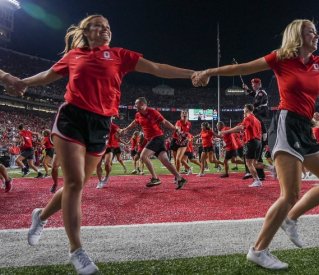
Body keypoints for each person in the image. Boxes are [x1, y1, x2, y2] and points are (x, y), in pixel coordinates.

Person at [193, 19, 319, 269]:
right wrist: (209, 71)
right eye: (311, 32)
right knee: (290, 194)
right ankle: (259, 250)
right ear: (298, 36)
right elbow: (246, 68)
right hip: (285, 123)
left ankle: (291, 218)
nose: (317, 35)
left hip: (304, 128)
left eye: (316, 31)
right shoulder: (280, 58)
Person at [20, 15, 196, 274]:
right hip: (72, 118)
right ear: (86, 31)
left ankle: (41, 217)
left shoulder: (118, 55)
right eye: (99, 26)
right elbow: (47, 75)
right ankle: (76, 250)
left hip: (101, 124)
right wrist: (22, 83)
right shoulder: (74, 56)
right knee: (74, 184)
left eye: (108, 27)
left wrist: (191, 73)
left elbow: (157, 68)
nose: (105, 30)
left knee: (77, 185)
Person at [120, 97, 188, 189]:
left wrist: (175, 128)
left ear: (144, 105)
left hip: (157, 138)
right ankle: (180, 179)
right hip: (153, 139)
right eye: (135, 104)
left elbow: (164, 122)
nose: (136, 106)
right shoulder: (137, 115)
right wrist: (126, 129)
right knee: (165, 161)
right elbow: (134, 123)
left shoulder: (153, 112)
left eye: (138, 104)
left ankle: (155, 178)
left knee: (143, 156)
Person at [95, 122, 120, 189]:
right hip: (98, 146)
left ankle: (106, 177)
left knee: (107, 164)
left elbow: (118, 129)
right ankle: (100, 181)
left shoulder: (111, 124)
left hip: (109, 147)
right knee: (98, 165)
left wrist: (120, 131)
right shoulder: (95, 123)